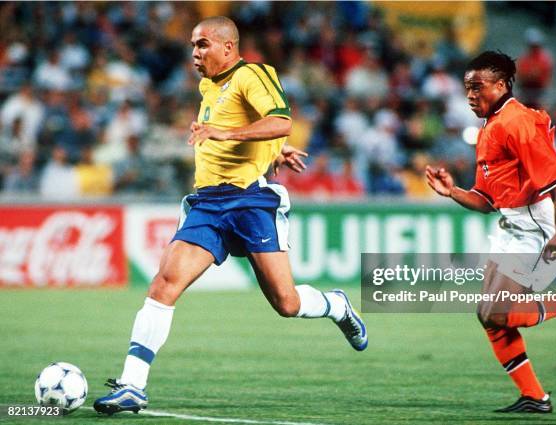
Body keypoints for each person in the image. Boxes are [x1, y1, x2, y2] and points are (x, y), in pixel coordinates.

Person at [93, 16, 368, 415]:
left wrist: (235, 136)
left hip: (249, 201)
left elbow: (280, 121)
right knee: (164, 285)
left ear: (228, 46)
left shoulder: (252, 73)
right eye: (192, 45)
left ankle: (337, 306)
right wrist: (272, 151)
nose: (194, 53)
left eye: (202, 44)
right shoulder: (209, 86)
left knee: (286, 303)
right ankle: (133, 386)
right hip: (207, 204)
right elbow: (250, 129)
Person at [425, 51, 556, 414]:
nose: (470, 95)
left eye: (477, 87)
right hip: (510, 225)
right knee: (488, 314)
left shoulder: (516, 122)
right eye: (466, 88)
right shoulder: (490, 127)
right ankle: (535, 397)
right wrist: (452, 191)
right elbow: (485, 200)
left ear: (501, 85)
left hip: (538, 227)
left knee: (498, 311)